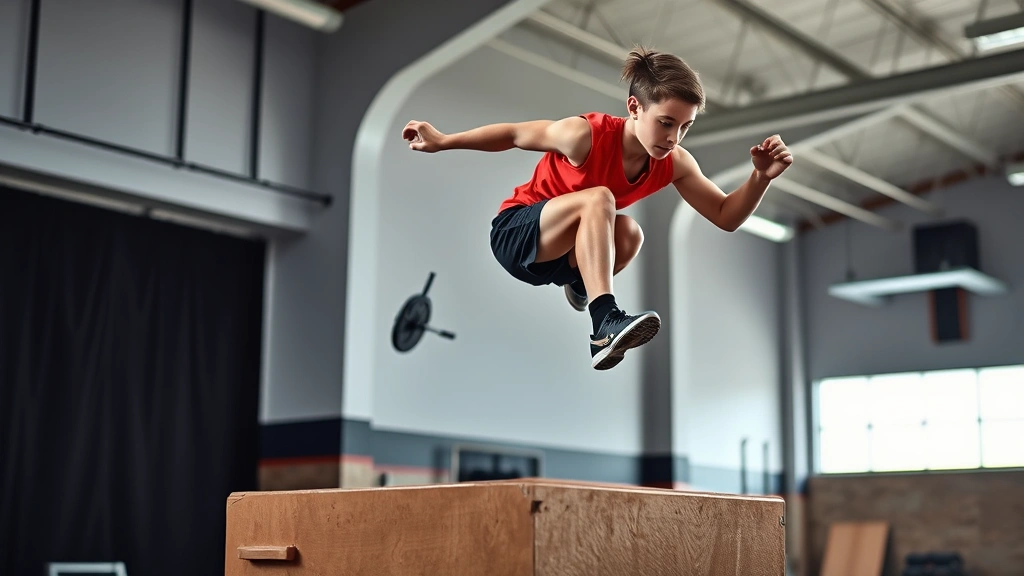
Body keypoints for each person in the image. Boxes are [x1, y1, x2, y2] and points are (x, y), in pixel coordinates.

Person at [401, 46, 793, 370]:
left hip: (556, 256)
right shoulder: (583, 135)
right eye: (666, 122)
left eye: (685, 127)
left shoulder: (675, 163)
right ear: (635, 107)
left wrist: (761, 178)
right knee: (600, 199)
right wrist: (443, 140)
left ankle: (580, 283)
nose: (673, 138)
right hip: (516, 233)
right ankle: (604, 321)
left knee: (630, 234)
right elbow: (514, 134)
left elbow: (725, 216)